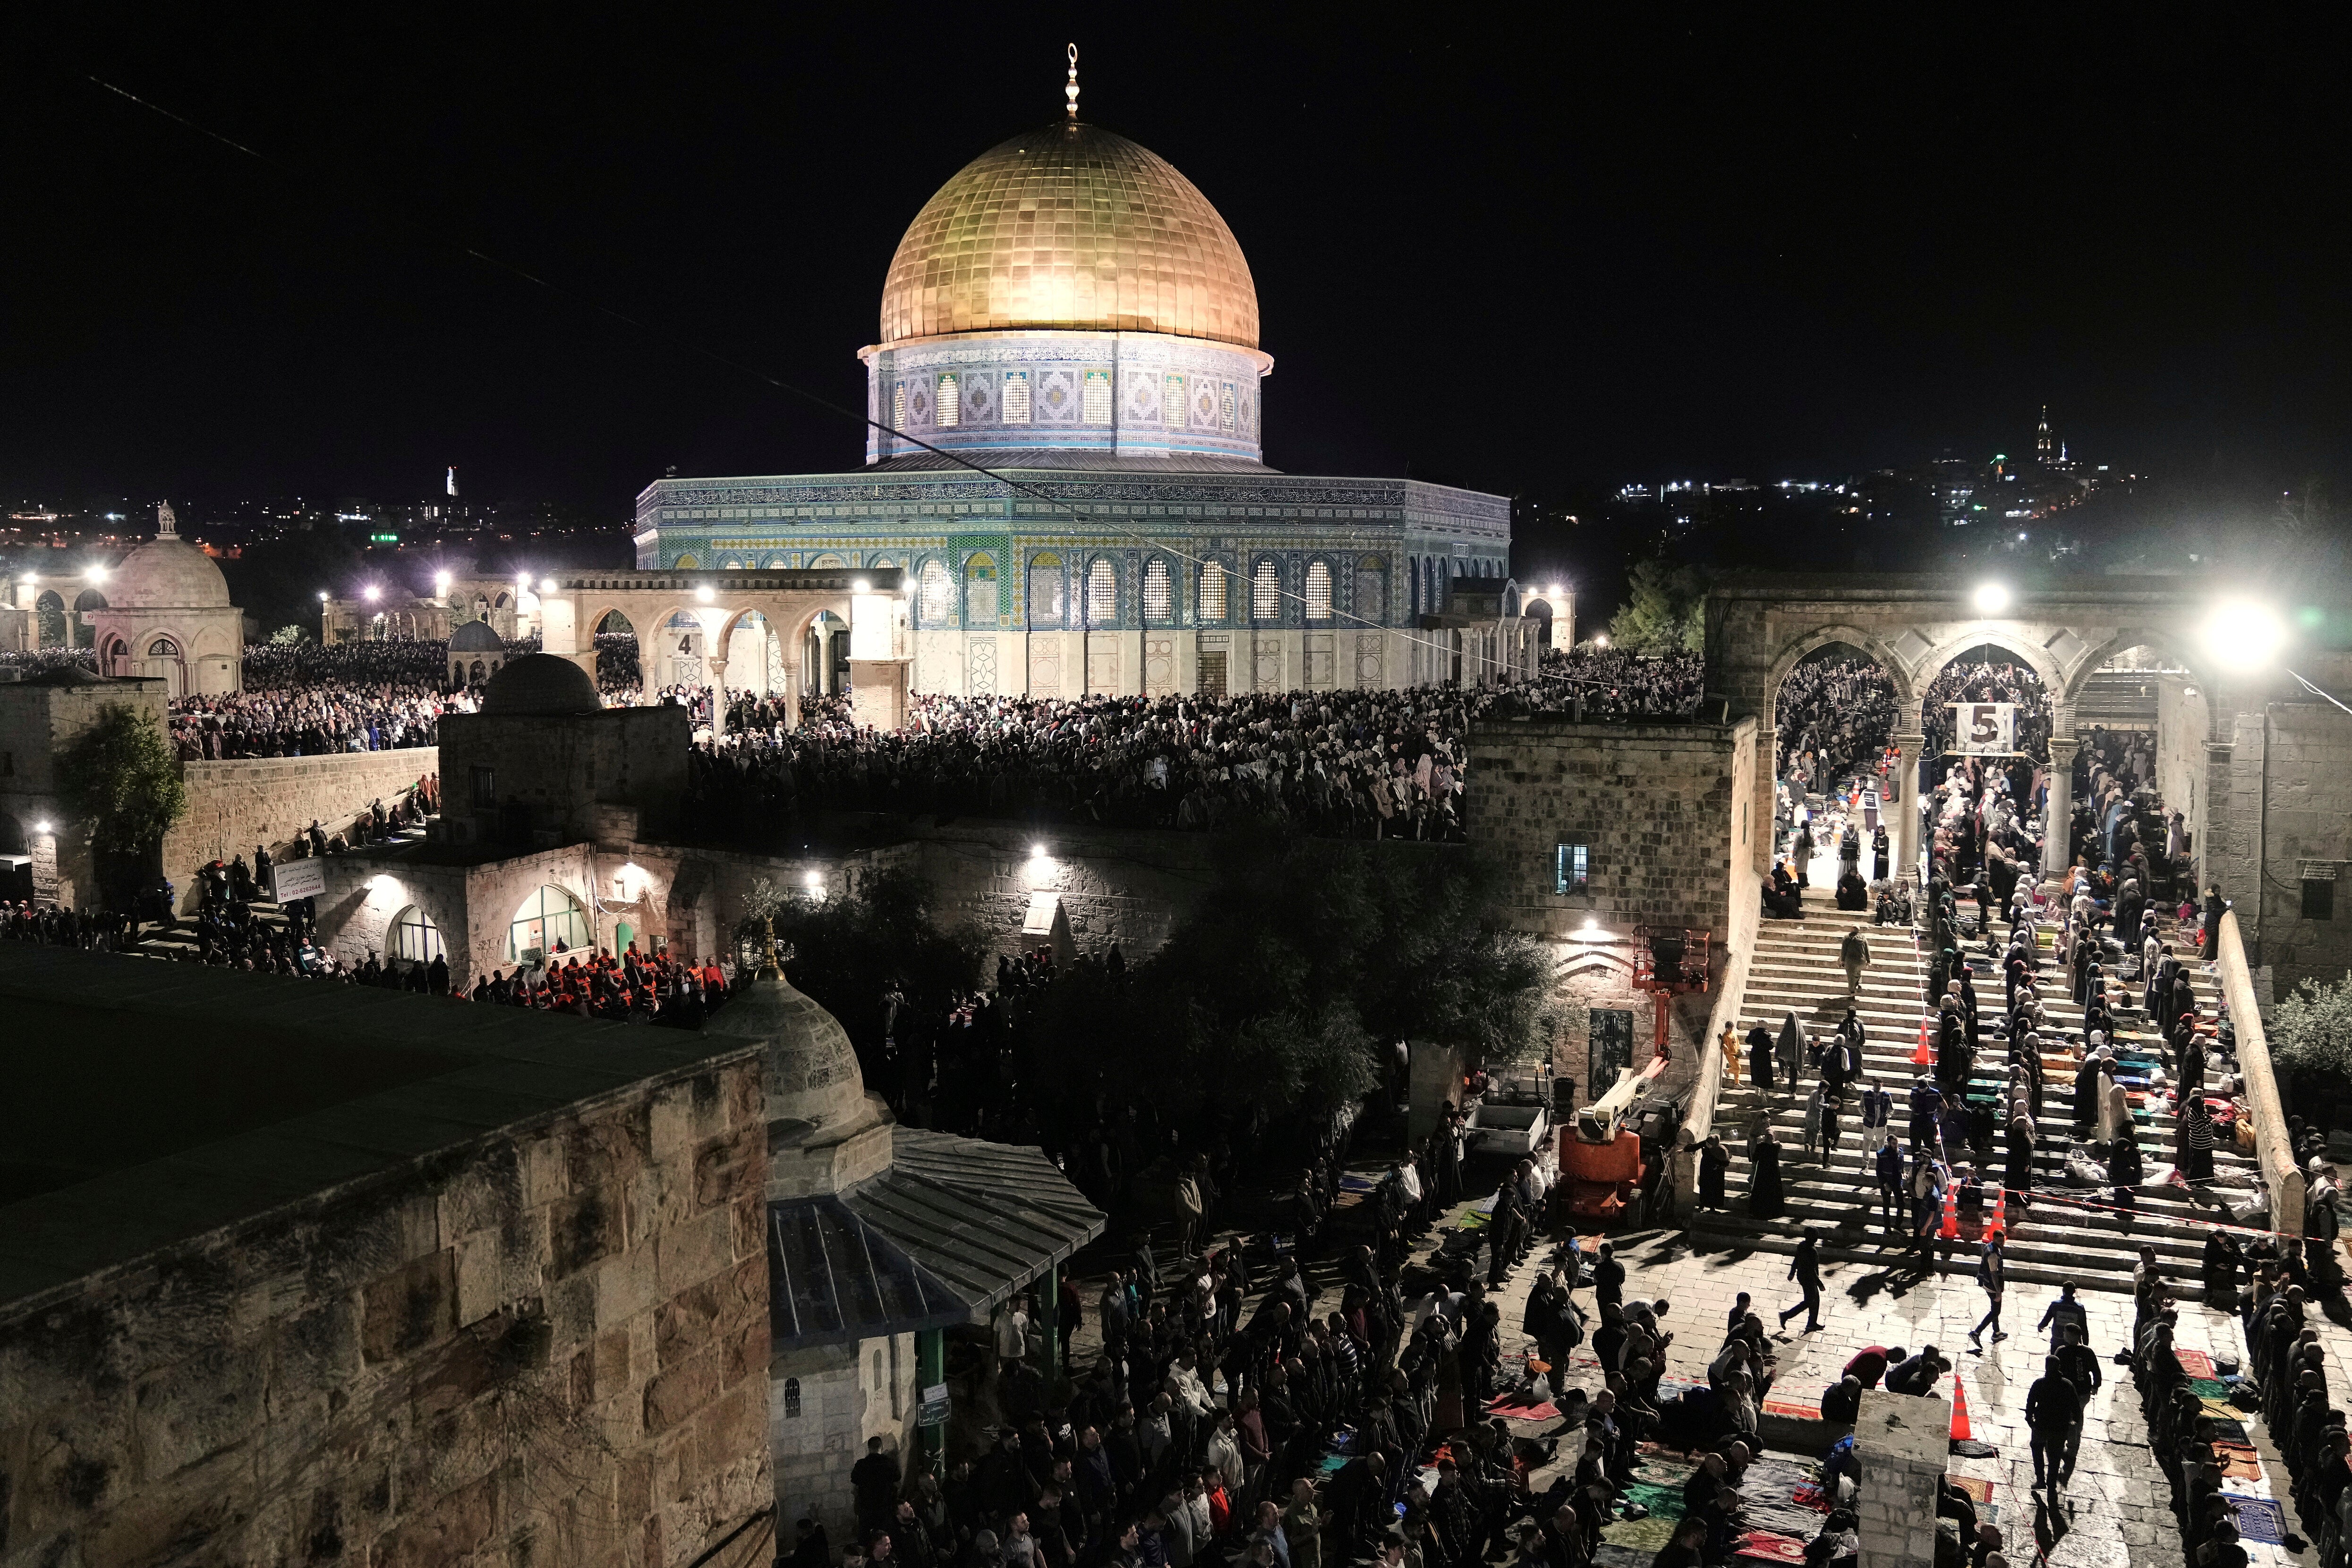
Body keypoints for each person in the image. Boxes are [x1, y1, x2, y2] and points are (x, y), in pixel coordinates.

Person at [2025, 1354, 2084, 1492]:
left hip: (2041, 1425)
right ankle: (2051, 1483)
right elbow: (2076, 1408)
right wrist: (2074, 1422)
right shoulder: (2067, 1385)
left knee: (2037, 1449)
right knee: (2055, 1455)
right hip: (2060, 1427)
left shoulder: (2039, 1384)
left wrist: (2029, 1418)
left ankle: (2040, 1480)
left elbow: (2030, 1403)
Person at [1778, 1235, 1824, 1333]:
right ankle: (1786, 1315)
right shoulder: (1812, 1251)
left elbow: (1796, 1259)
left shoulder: (1802, 1245)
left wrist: (1792, 1272)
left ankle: (1812, 1323)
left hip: (1802, 1276)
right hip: (1809, 1279)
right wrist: (1819, 1283)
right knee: (1810, 1301)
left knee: (1815, 1299)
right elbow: (1812, 1270)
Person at [1969, 1232, 2008, 1347]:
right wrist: (1998, 1291)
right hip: (1992, 1286)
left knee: (1994, 1309)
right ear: (1994, 1239)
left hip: (1986, 1282)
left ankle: (1997, 1332)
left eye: (2003, 1241)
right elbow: (1994, 1274)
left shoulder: (1989, 1246)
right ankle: (1977, 1332)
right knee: (1996, 1312)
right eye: (2000, 1241)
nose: (2002, 1244)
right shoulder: (1993, 1254)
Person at [1749, 1127, 1786, 1220]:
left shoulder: (1761, 1146)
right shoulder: (1776, 1146)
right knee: (1772, 1192)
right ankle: (1772, 1213)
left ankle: (1758, 1212)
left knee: (1761, 1192)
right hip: (1773, 1173)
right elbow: (1778, 1145)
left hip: (1762, 1172)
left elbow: (1755, 1158)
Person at [1840, 926, 1872, 999]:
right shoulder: (1863, 938)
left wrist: (1842, 960)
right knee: (1858, 972)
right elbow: (1867, 950)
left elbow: (1844, 950)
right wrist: (1868, 961)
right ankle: (1859, 983)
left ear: (1852, 930)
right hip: (1861, 961)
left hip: (1850, 961)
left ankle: (1852, 993)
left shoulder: (1847, 938)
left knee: (1851, 977)